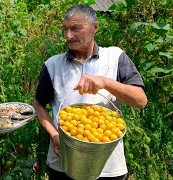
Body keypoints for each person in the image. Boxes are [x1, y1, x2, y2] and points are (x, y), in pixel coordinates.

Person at [32, 4, 147, 180]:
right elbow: (38, 104)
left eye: (75, 28)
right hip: (63, 162)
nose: (68, 36)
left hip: (108, 166)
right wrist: (55, 135)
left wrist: (105, 82)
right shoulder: (52, 65)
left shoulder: (115, 57)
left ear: (95, 27)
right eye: (65, 29)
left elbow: (140, 101)